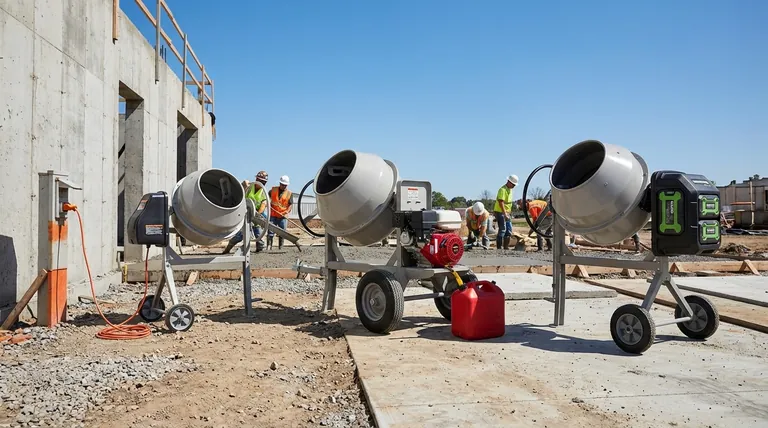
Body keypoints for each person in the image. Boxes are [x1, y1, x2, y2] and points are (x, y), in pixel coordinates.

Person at [222, 171, 270, 254]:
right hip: (245, 213)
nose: (261, 183)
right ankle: (228, 249)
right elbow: (240, 191)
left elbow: (263, 205)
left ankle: (259, 251)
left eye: (263, 182)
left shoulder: (264, 193)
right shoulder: (250, 187)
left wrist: (257, 214)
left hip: (256, 215)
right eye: (259, 180)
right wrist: (243, 184)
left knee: (258, 234)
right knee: (240, 235)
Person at [267, 175, 293, 250]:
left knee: (282, 232)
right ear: (280, 183)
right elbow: (267, 198)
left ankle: (281, 247)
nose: (283, 186)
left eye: (285, 185)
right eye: (282, 184)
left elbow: (290, 204)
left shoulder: (289, 193)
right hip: (273, 214)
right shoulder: (273, 190)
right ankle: (269, 246)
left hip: (282, 216)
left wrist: (287, 212)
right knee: (270, 230)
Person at [493, 174, 518, 250]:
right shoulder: (502, 190)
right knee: (502, 229)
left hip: (507, 212)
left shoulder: (510, 190)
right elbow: (501, 202)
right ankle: (499, 248)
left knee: (509, 230)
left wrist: (508, 213)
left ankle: (506, 247)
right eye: (513, 184)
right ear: (509, 182)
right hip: (500, 212)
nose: (514, 186)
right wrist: (504, 214)